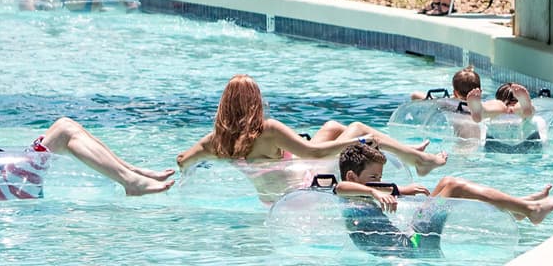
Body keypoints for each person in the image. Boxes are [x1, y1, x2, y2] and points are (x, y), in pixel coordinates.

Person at [0, 62, 173, 202]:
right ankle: (131, 182)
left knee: (68, 126)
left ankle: (132, 173)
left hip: (5, 183)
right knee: (63, 129)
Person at [176, 75, 448, 201]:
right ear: (256, 102)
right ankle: (420, 159)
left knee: (330, 126)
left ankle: (399, 149)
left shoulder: (216, 141)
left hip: (272, 196)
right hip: (302, 187)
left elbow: (182, 161)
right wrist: (361, 141)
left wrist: (191, 169)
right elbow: (314, 154)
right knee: (356, 128)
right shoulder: (267, 130)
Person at [332, 142, 553, 258]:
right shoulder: (348, 192)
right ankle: (530, 209)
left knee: (445, 182)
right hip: (412, 246)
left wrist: (402, 190)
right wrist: (376, 192)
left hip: (411, 238)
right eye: (374, 178)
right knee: (454, 186)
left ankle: (517, 207)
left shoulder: (362, 191)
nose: (378, 183)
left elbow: (371, 190)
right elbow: (341, 187)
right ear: (353, 175)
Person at [408, 65, 482, 102]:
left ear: (455, 93)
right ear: (480, 91)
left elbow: (414, 95)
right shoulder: (483, 108)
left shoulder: (448, 104)